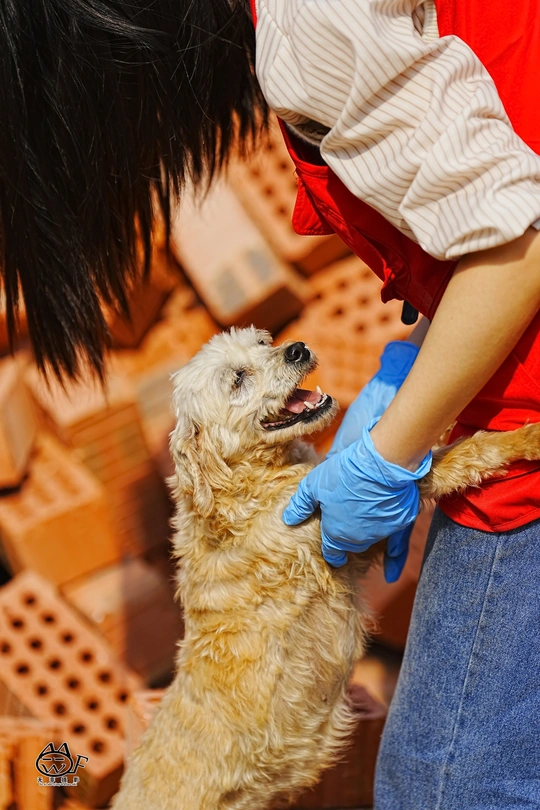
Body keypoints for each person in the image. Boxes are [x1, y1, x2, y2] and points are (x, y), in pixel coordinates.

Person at [1, 0, 539, 805]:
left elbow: (516, 238)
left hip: (523, 430)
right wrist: (411, 362)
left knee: (443, 785)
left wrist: (394, 447)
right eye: (240, 381)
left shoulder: (305, 26)